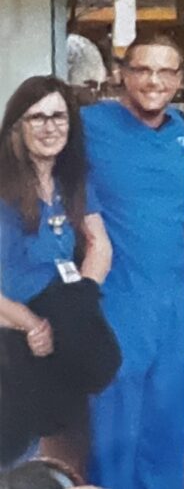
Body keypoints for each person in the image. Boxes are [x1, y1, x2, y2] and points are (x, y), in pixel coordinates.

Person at [82, 34, 184, 488]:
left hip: (173, 312)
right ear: (122, 74)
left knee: (167, 440)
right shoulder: (87, 125)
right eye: (142, 69)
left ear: (179, 80)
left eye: (166, 71)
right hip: (118, 307)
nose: (154, 81)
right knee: (115, 444)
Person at [0, 76, 113, 473]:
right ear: (17, 126)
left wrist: (82, 296)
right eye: (37, 118)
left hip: (61, 330)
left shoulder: (72, 181)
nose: (50, 127)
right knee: (20, 461)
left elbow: (99, 243)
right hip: (12, 338)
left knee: (67, 457)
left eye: (58, 116)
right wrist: (30, 324)